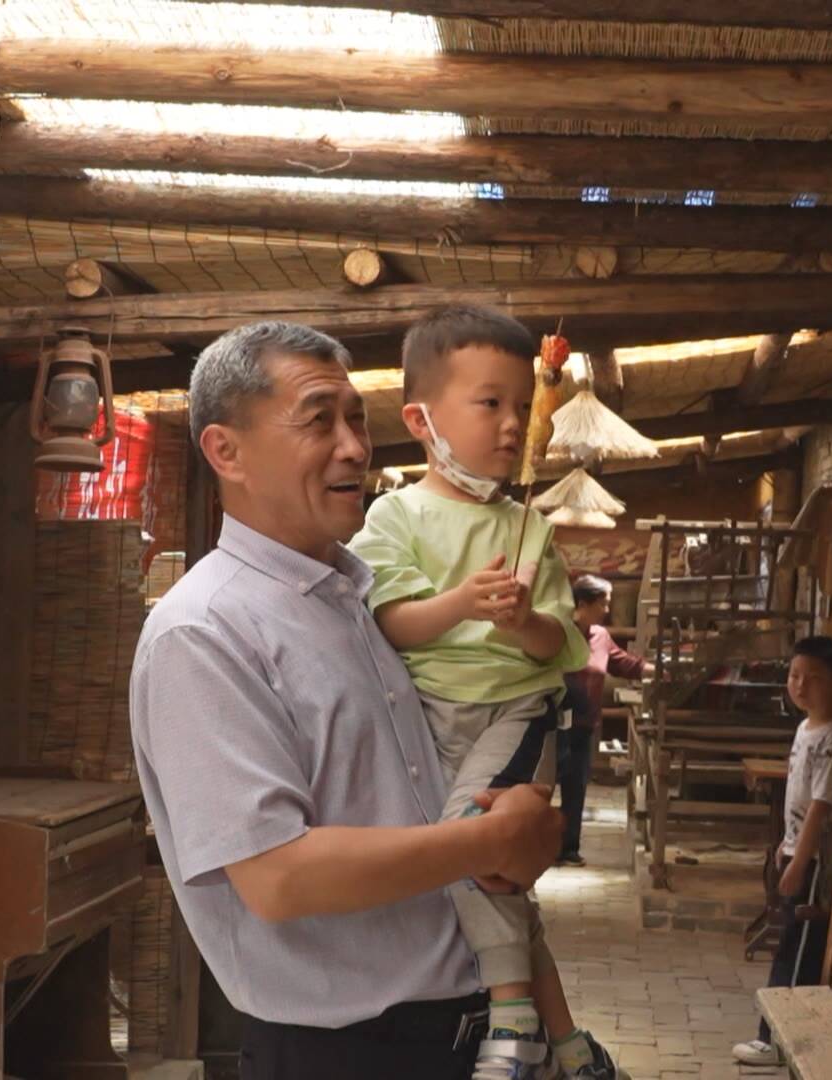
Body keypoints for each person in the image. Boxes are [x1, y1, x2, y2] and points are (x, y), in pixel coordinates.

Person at [129, 321, 565, 1080]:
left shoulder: (360, 601)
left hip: (465, 1032)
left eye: (358, 420)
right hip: (345, 1053)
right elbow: (278, 876)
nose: (356, 448)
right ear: (226, 452)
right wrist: (492, 841)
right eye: (318, 420)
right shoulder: (204, 631)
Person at [350, 306, 625, 1080]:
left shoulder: (530, 528)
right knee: (491, 873)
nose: (513, 425)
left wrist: (524, 621)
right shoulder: (392, 516)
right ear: (421, 420)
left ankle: (513, 1019)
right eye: (490, 403)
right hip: (429, 720)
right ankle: (570, 1044)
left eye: (522, 406)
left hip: (515, 714)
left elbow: (559, 646)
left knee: (474, 850)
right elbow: (393, 621)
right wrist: (464, 602)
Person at [732, 636, 832, 1068]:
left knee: (800, 952)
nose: (801, 686)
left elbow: (820, 808)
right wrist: (787, 849)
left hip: (817, 859)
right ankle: (775, 1035)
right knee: (787, 944)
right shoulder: (806, 729)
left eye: (814, 678)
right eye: (794, 676)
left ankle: (780, 1041)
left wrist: (801, 861)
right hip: (796, 850)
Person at [558, 574, 646, 866]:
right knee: (540, 787)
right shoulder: (559, 632)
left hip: (583, 724)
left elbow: (622, 663)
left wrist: (654, 669)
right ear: (583, 604)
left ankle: (568, 848)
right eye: (603, 604)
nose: (607, 610)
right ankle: (530, 848)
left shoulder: (600, 636)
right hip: (552, 723)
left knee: (576, 787)